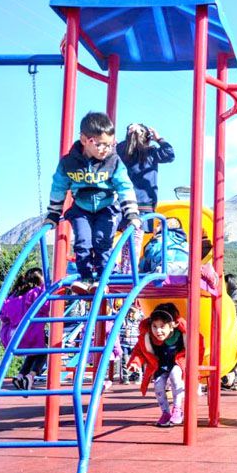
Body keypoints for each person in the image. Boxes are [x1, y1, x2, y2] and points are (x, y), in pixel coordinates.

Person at [44, 112, 140, 290]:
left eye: (109, 145)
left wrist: (131, 212)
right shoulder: (69, 163)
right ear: (84, 140)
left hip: (107, 206)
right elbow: (58, 186)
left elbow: (124, 186)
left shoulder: (113, 161)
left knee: (102, 240)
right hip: (82, 207)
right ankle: (86, 278)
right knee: (83, 242)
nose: (105, 149)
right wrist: (53, 214)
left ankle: (103, 278)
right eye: (100, 145)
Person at [127, 303, 200, 427]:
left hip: (177, 363)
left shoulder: (180, 335)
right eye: (154, 327)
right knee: (158, 384)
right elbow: (139, 351)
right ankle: (165, 412)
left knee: (175, 375)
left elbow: (195, 344)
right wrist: (135, 363)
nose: (158, 331)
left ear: (172, 326)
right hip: (161, 365)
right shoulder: (149, 337)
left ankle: (177, 409)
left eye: (162, 327)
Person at [116, 123, 175, 272]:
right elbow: (169, 153)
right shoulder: (150, 152)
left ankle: (121, 269)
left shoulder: (121, 151)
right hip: (143, 205)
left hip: (122, 203)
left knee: (125, 238)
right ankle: (129, 272)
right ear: (147, 138)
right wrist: (158, 138)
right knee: (134, 240)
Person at [0, 268, 49, 391]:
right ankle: (31, 376)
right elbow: (47, 306)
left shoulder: (13, 295)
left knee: (33, 353)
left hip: (13, 335)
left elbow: (3, 315)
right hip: (30, 333)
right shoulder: (35, 293)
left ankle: (21, 376)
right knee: (43, 351)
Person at [119, 303, 143, 384]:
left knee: (136, 360)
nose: (130, 314)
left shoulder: (138, 322)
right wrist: (124, 331)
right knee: (125, 361)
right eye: (129, 312)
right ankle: (126, 378)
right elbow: (118, 330)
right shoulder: (124, 321)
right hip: (125, 344)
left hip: (135, 344)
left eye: (133, 313)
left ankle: (137, 376)